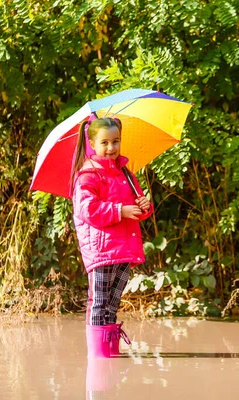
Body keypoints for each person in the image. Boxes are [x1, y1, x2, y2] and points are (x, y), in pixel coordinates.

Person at [71, 116, 153, 358]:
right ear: (93, 145)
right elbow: (88, 210)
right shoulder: (87, 175)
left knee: (113, 303)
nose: (111, 148)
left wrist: (144, 206)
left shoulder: (125, 173)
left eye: (115, 141)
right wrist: (120, 210)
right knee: (99, 302)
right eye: (104, 142)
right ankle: (98, 359)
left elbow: (138, 209)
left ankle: (110, 352)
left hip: (124, 248)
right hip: (102, 249)